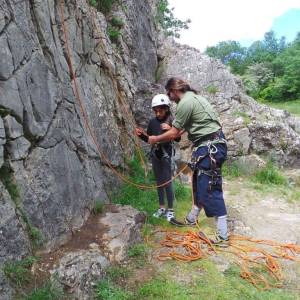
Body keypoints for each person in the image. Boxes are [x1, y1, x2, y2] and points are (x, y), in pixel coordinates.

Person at [148, 78, 229, 247]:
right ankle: (192, 218)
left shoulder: (185, 102)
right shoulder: (197, 98)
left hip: (209, 147)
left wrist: (155, 138)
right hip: (208, 146)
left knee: (210, 188)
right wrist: (172, 131)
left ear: (174, 90)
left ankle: (222, 236)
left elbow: (173, 134)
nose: (170, 98)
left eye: (169, 94)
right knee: (198, 183)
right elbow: (185, 127)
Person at [135, 94, 178, 222]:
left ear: (166, 109)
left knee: (167, 182)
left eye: (160, 110)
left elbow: (178, 137)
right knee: (159, 182)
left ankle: (170, 210)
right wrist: (141, 135)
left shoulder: (171, 120)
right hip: (155, 154)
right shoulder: (153, 122)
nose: (158, 113)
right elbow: (150, 139)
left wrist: (170, 128)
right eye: (155, 111)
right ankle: (161, 208)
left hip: (166, 155)